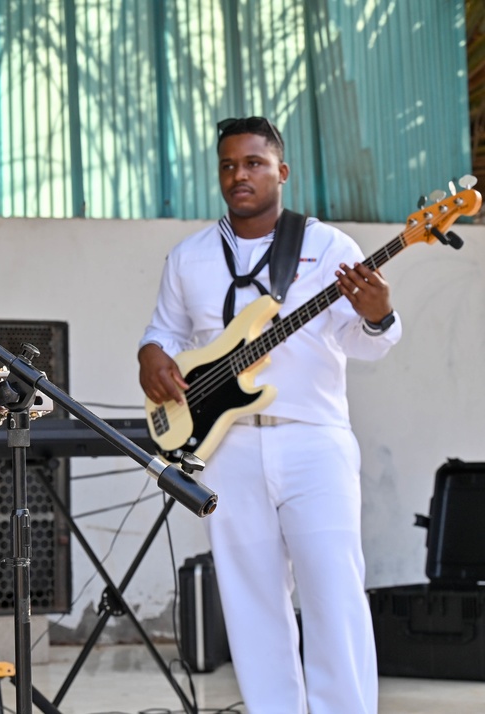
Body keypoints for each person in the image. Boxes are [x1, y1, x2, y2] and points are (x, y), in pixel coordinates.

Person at [138, 116, 400, 713]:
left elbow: (363, 343)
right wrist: (150, 356)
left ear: (281, 171)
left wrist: (378, 312)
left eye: (254, 163)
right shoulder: (190, 256)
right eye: (228, 165)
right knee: (251, 600)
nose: (239, 175)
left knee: (334, 596)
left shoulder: (329, 247)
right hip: (225, 449)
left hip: (314, 441)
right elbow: (164, 332)